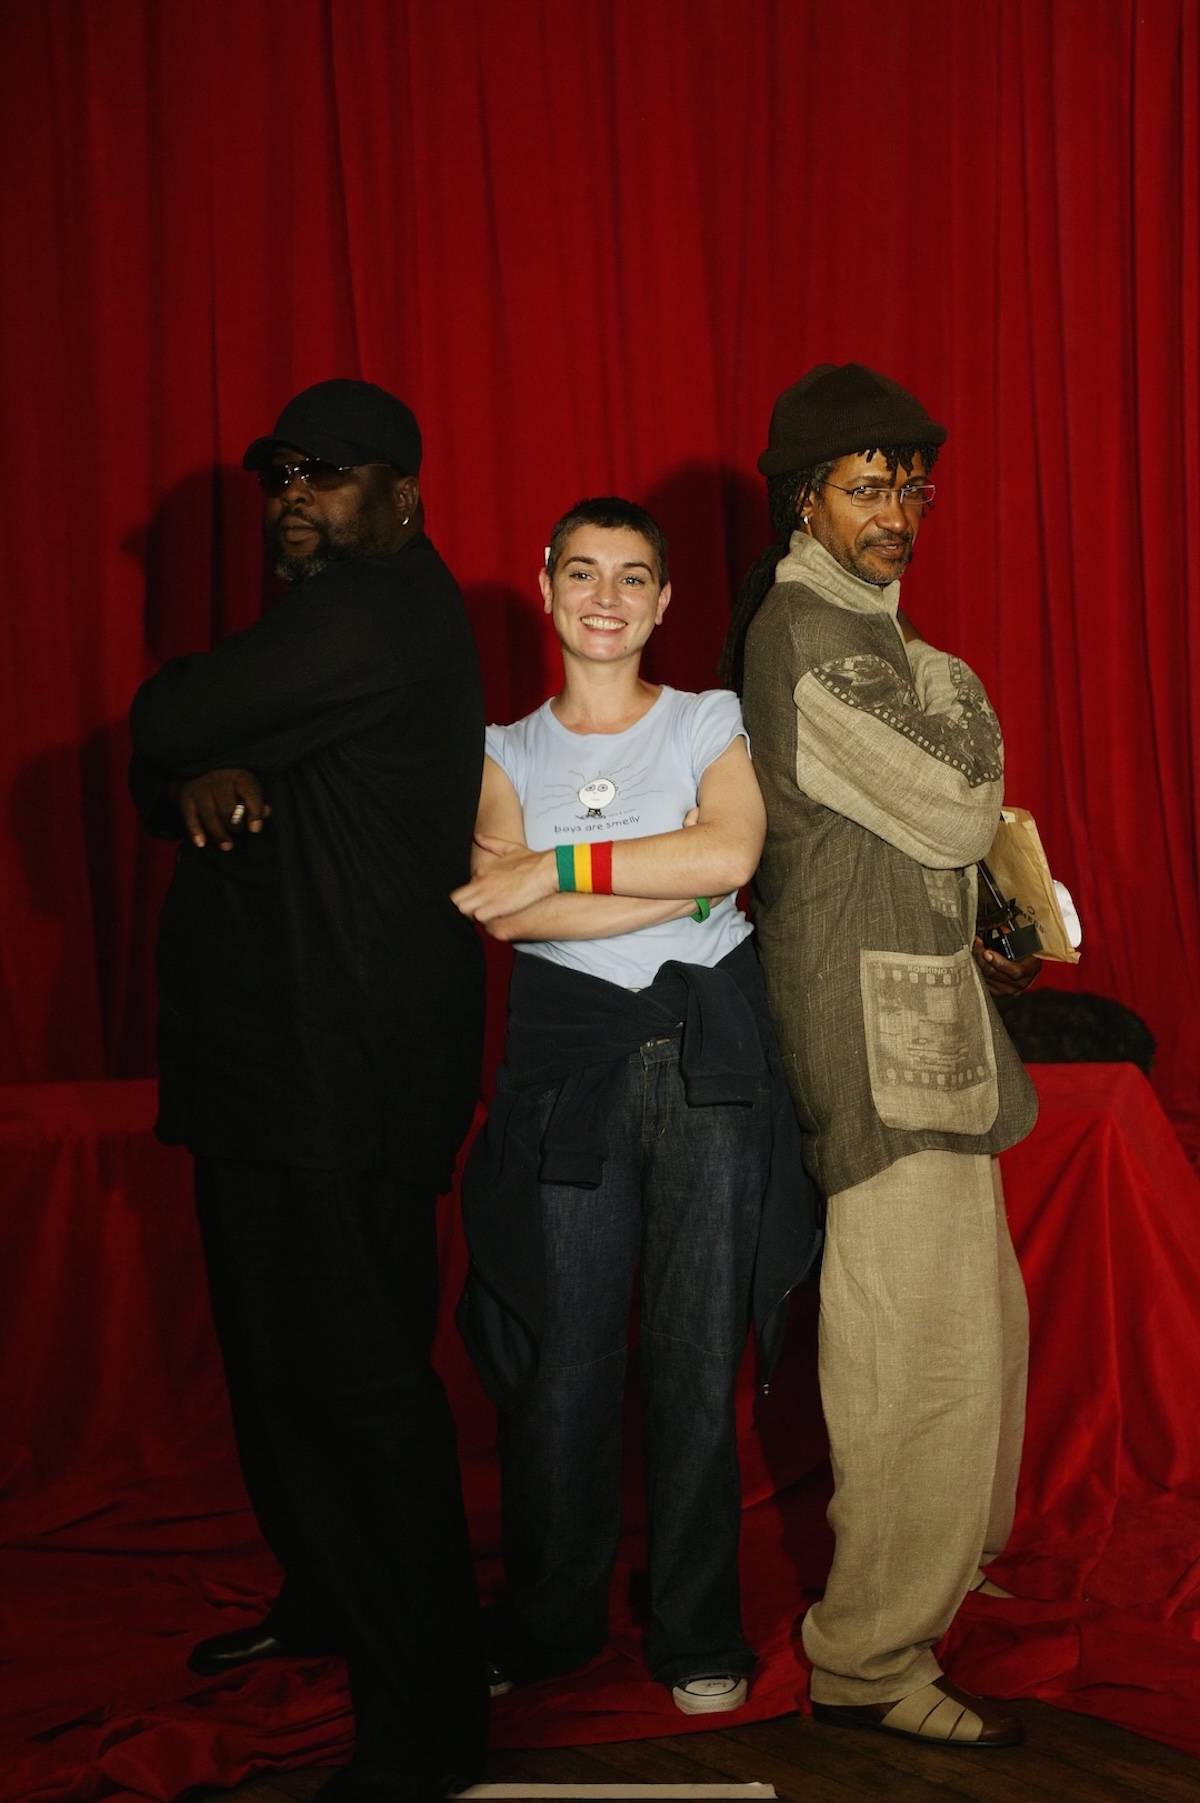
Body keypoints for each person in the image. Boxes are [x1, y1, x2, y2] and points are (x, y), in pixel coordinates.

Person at [129, 379, 488, 1803]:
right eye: (281, 470)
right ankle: (329, 1598)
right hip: (270, 1065)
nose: (293, 491)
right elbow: (180, 754)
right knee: (281, 1376)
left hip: (345, 1080)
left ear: (402, 498)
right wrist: (201, 768)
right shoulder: (323, 634)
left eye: (329, 474)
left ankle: (428, 1726)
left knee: (359, 1396)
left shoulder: (381, 610)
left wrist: (191, 739)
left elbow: (166, 705)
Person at [450, 498, 820, 1716]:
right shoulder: (504, 749)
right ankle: (553, 1622)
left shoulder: (709, 718)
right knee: (563, 1364)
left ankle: (695, 1626)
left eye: (634, 578)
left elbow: (728, 859)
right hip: (567, 1066)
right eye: (584, 573)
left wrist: (554, 869)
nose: (607, 597)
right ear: (546, 585)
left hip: (708, 1060)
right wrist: (654, 876)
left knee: (695, 1350)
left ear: (664, 603)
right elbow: (494, 912)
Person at [721, 363, 1039, 1750]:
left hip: (947, 1041)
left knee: (978, 1349)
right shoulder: (801, 632)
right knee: (910, 1360)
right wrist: (964, 745)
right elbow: (968, 794)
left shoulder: (908, 649)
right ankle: (867, 1651)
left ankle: (929, 1593)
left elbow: (968, 813)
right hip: (871, 1046)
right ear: (808, 501)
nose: (899, 508)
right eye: (869, 484)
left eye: (912, 484)